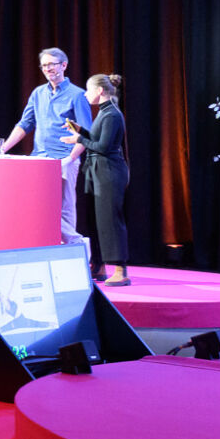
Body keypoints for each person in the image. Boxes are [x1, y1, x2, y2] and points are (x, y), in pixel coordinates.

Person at [0, 46, 92, 244]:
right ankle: (75, 243)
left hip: (64, 158)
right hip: (39, 158)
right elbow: (24, 124)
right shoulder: (38, 93)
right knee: (34, 204)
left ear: (64, 65)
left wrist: (70, 159)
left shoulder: (77, 95)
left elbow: (86, 133)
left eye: (52, 64)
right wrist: (2, 149)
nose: (48, 69)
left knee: (65, 207)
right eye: (44, 66)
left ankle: (70, 249)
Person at [66, 73, 130, 286]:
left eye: (89, 90)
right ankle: (99, 265)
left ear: (100, 91)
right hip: (96, 171)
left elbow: (103, 147)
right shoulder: (104, 112)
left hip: (109, 171)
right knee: (94, 220)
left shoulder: (112, 114)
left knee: (110, 220)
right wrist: (80, 130)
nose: (86, 94)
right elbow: (97, 139)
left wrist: (79, 139)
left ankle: (120, 270)